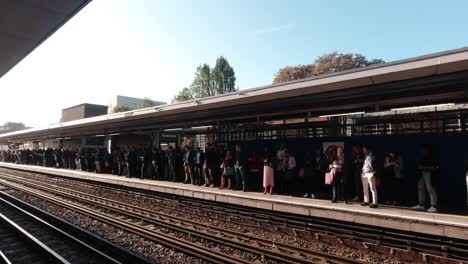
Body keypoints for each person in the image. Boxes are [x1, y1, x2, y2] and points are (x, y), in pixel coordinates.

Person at [411, 145, 439, 213]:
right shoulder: (421, 157)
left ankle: (433, 206)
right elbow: (418, 165)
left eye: (425, 150)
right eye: (422, 150)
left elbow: (436, 167)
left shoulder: (433, 158)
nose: (423, 151)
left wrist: (425, 168)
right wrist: (420, 167)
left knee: (430, 189)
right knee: (420, 188)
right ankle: (421, 205)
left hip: (430, 174)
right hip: (421, 174)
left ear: (428, 151)